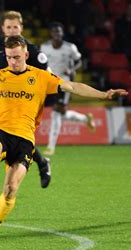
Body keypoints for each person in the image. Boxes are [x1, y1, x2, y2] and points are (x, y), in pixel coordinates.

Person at [0, 35, 127, 240]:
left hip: (25, 140)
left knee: (10, 189)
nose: (12, 61)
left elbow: (73, 86)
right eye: (9, 57)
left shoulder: (42, 77)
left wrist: (104, 94)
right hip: (1, 131)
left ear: (26, 54)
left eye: (16, 57)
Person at [0, 10, 51, 200]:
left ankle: (42, 162)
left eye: (16, 27)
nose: (12, 30)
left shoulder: (31, 50)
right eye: (9, 27)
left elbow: (46, 75)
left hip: (22, 105)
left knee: (19, 141)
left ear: (21, 28)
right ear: (3, 28)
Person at [40, 22, 96, 156]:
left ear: (62, 33)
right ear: (51, 34)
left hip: (64, 84)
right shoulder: (44, 47)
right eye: (54, 32)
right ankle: (84, 119)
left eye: (59, 32)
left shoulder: (70, 47)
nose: (56, 34)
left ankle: (50, 147)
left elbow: (79, 61)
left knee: (56, 112)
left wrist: (72, 70)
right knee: (61, 113)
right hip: (49, 83)